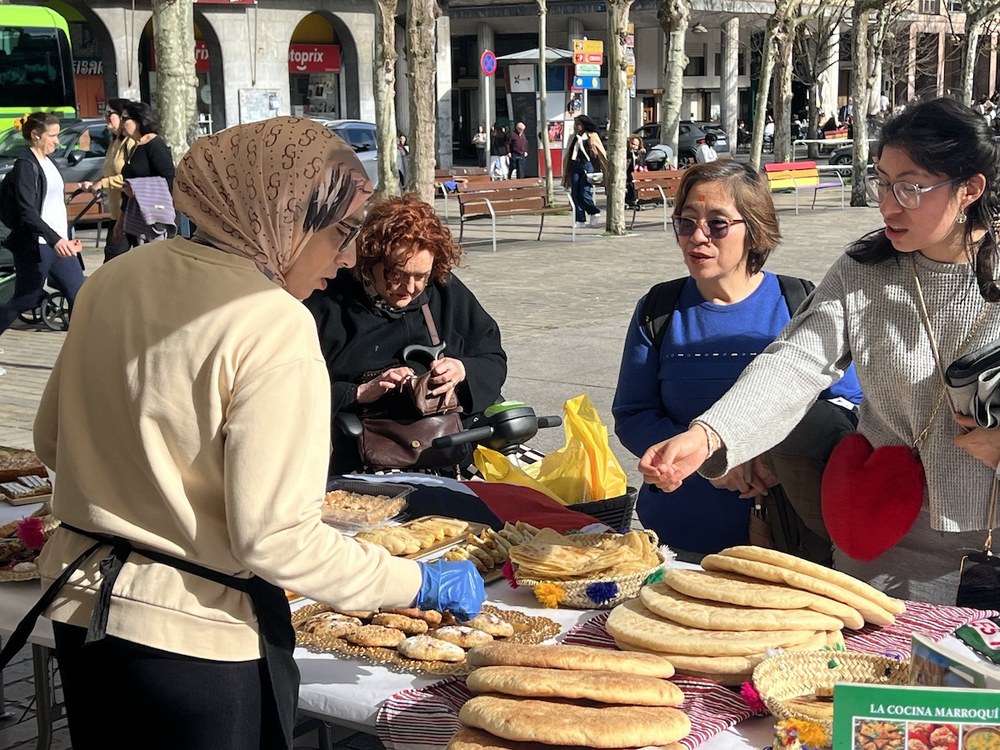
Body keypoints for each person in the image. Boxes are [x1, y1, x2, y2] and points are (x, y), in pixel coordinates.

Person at [22, 118, 484, 749]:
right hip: (195, 639)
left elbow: (52, 442)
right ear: (283, 216)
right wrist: (414, 582)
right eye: (339, 234)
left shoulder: (114, 278)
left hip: (81, 610)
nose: (347, 259)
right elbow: (277, 541)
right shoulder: (273, 323)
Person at [638, 98, 1000, 604]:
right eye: (882, 182)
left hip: (989, 540)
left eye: (911, 188)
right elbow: (794, 362)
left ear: (970, 189)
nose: (889, 204)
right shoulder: (864, 269)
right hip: (881, 538)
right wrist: (709, 435)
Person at [613, 160, 862, 563]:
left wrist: (775, 458)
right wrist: (704, 460)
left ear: (755, 228)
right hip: (682, 533)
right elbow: (634, 414)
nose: (698, 237)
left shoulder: (799, 303)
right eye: (686, 222)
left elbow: (847, 405)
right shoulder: (658, 309)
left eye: (717, 224)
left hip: (790, 536)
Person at [304, 193, 507, 475]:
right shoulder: (328, 301)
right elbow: (298, 389)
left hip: (444, 454)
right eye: (397, 274)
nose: (409, 288)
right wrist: (359, 392)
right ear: (370, 260)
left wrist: (462, 370)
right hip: (361, 462)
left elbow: (492, 356)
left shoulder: (443, 290)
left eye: (421, 276)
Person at [0, 112, 84, 337]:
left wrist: (65, 237)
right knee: (26, 298)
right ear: (36, 136)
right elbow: (28, 211)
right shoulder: (25, 165)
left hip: (58, 244)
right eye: (52, 135)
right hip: (37, 245)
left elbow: (54, 204)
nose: (57, 141)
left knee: (80, 294)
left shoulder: (49, 161)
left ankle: (80, 353)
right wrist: (54, 239)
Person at [82, 98, 135, 263]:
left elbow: (131, 177)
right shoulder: (114, 142)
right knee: (114, 260)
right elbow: (110, 173)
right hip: (116, 214)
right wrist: (95, 183)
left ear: (123, 117)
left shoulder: (130, 142)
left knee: (113, 261)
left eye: (109, 113)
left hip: (130, 214)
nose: (105, 117)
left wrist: (103, 183)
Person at [118, 101, 175, 248]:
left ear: (138, 120)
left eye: (125, 118)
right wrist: (121, 219)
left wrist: (138, 190)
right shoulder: (136, 146)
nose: (121, 122)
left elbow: (169, 179)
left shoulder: (155, 146)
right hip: (135, 218)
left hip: (153, 219)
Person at [561, 114, 608, 229]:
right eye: (575, 124)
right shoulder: (573, 137)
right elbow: (569, 153)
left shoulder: (592, 136)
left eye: (578, 124)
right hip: (574, 165)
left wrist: (593, 148)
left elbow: (600, 154)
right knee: (575, 193)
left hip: (587, 165)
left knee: (584, 191)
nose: (576, 127)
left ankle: (594, 211)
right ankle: (580, 219)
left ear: (584, 125)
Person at [625, 134, 647, 207]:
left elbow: (641, 168)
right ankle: (630, 199)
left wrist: (640, 156)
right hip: (628, 177)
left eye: (637, 145)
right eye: (633, 144)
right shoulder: (626, 154)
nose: (634, 147)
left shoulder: (640, 155)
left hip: (638, 177)